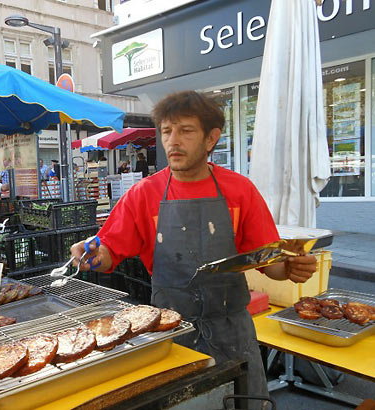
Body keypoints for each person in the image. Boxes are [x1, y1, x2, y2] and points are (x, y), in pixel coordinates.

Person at [70, 90, 318, 405]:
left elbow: (268, 261)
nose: (173, 141)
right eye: (167, 131)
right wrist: (90, 253)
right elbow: (108, 253)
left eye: (186, 131)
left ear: (210, 138)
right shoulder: (143, 195)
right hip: (170, 333)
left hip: (232, 330)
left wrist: (291, 268)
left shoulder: (240, 191)